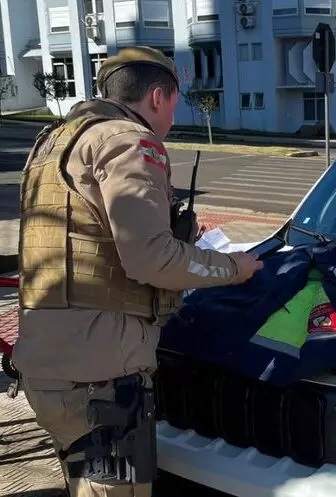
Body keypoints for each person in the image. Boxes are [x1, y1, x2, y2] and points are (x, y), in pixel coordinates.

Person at [13, 46, 263, 497]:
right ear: (156, 97)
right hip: (100, 375)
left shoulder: (54, 143)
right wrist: (233, 267)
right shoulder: (129, 140)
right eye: (174, 101)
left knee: (84, 486)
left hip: (49, 361)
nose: (171, 113)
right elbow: (150, 258)